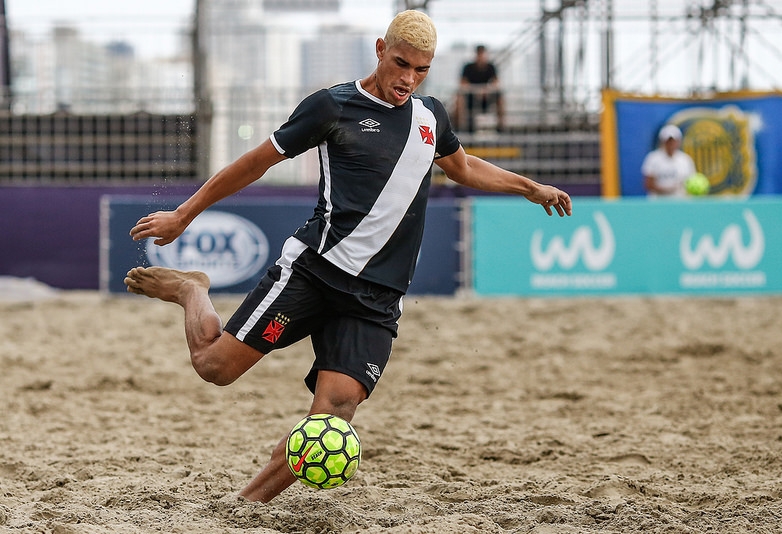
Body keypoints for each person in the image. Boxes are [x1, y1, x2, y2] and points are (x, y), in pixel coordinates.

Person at [124, 10, 571, 505]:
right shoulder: (332, 106)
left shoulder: (431, 118)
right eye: (401, 63)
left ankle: (243, 506)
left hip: (377, 299)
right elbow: (255, 162)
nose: (408, 79)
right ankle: (193, 289)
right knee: (215, 367)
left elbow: (462, 167)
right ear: (380, 49)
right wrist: (184, 215)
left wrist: (528, 187)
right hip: (314, 274)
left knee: (332, 416)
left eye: (421, 70)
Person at [457, 44, 504, 132]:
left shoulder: (491, 67)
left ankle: (501, 126)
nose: (481, 57)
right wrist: (476, 91)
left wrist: (486, 90)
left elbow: (496, 83)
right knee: (459, 98)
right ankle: (460, 127)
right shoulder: (468, 67)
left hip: (487, 97)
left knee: (500, 97)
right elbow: (463, 84)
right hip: (471, 97)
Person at [641, 124, 696, 197]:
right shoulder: (653, 158)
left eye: (674, 141)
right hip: (659, 203)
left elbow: (691, 181)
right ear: (663, 141)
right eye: (668, 141)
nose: (671, 144)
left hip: (680, 203)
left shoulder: (686, 160)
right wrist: (669, 189)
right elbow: (648, 184)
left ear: (679, 141)